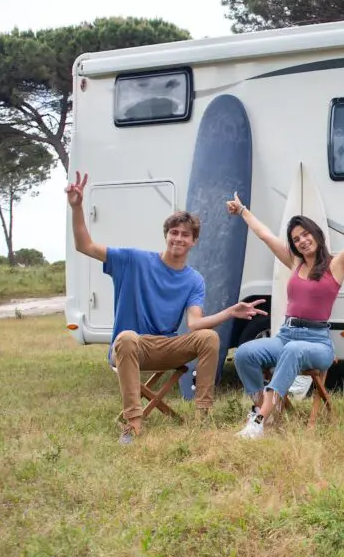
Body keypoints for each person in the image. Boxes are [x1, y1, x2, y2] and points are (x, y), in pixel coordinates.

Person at [66, 171, 267, 444]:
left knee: (209, 337)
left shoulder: (194, 279)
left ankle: (202, 416)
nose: (178, 238)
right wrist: (77, 207)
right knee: (126, 337)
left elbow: (195, 324)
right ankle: (133, 424)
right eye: (174, 232)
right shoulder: (133, 260)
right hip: (130, 348)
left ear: (194, 241)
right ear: (166, 235)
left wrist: (231, 311)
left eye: (186, 235)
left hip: (166, 347)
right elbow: (84, 245)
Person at [227, 183, 344, 439]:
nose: (302, 241)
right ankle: (260, 408)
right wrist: (242, 211)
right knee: (244, 354)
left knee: (294, 351)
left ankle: (260, 421)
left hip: (317, 343)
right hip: (286, 336)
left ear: (316, 234)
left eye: (305, 234)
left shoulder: (337, 265)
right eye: (296, 239)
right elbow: (265, 235)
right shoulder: (294, 263)